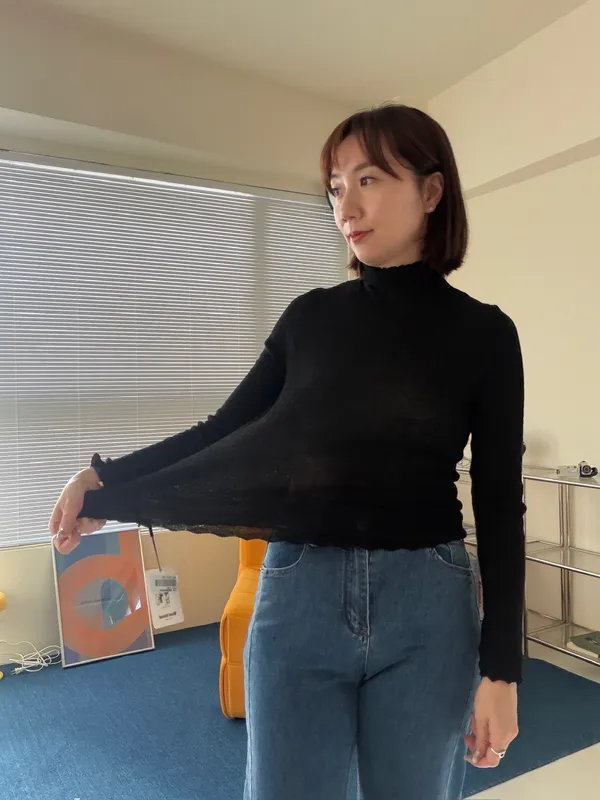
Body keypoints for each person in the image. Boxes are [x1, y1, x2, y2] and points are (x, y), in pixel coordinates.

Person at [49, 103, 525, 800]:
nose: (346, 207)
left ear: (431, 191)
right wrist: (106, 480)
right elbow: (222, 431)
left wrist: (503, 671)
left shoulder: (486, 335)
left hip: (429, 605)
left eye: (368, 180)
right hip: (300, 593)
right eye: (335, 187)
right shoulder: (311, 318)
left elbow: (501, 504)